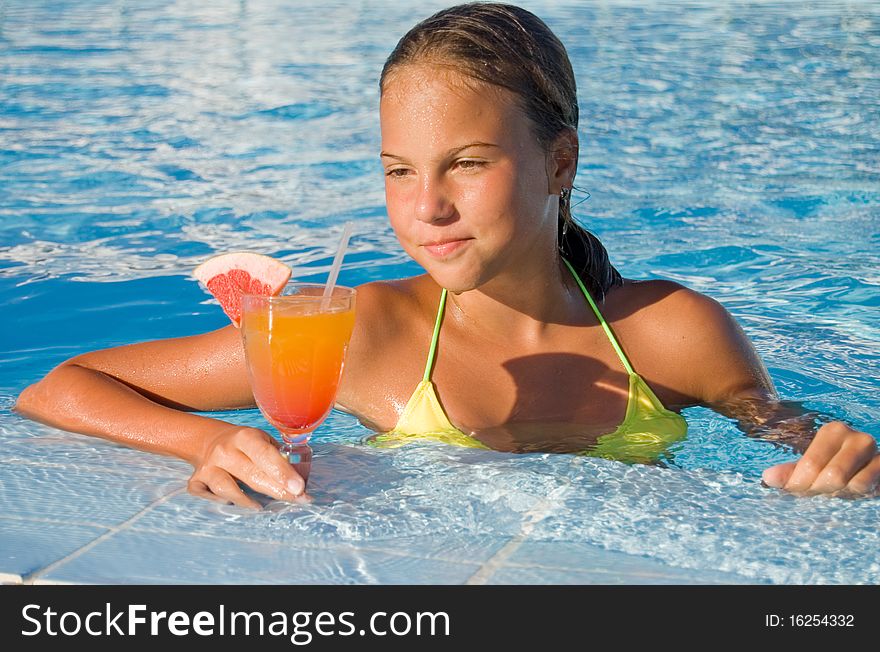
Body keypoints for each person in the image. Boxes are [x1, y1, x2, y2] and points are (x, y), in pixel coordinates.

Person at [14, 3, 878, 508]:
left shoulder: (673, 333)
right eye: (399, 170)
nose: (426, 206)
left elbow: (800, 448)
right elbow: (57, 387)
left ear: (560, 162)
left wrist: (843, 470)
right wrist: (205, 441)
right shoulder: (360, 332)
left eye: (466, 163)